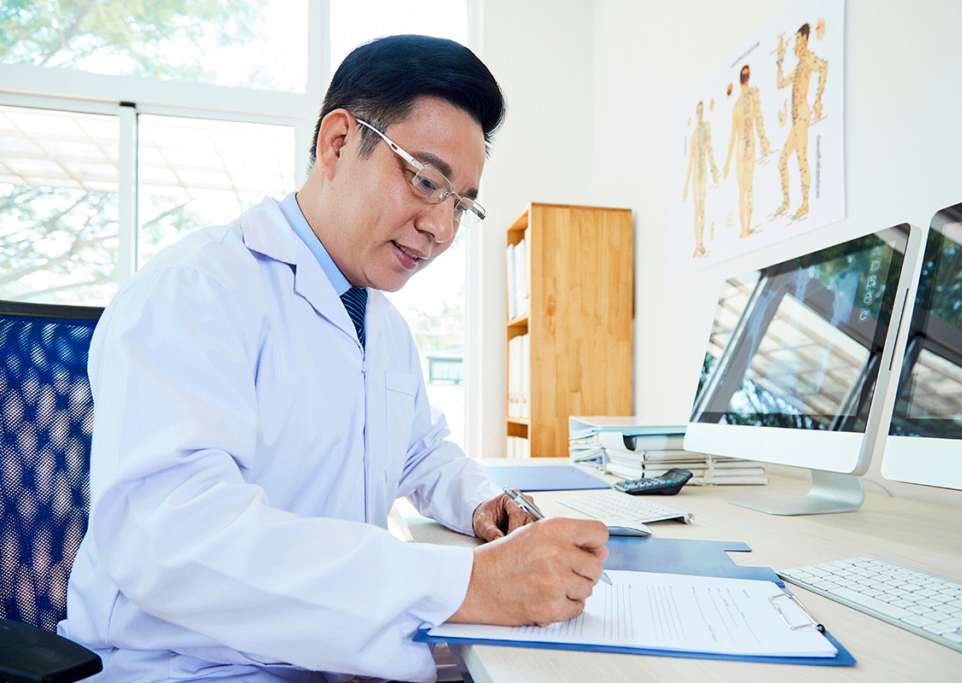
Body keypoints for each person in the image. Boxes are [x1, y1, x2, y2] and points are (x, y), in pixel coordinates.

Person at [58, 34, 609, 683]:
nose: (442, 228)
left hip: (325, 659)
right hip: (188, 667)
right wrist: (466, 584)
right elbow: (171, 541)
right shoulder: (197, 289)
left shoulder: (382, 323)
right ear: (338, 143)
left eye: (461, 203)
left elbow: (419, 451)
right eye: (427, 181)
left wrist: (486, 501)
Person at [774, 22, 828, 220]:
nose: (795, 43)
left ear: (804, 39)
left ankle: (805, 204)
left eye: (798, 39)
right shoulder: (799, 65)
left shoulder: (807, 59)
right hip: (797, 118)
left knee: (800, 160)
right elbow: (780, 84)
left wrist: (818, 99)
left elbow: (823, 67)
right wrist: (780, 59)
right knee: (783, 162)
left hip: (802, 115)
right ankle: (788, 201)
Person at [722, 65, 771, 238]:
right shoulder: (750, 98)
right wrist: (763, 142)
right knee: (747, 190)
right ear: (747, 79)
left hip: (741, 145)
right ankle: (746, 227)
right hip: (747, 144)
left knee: (743, 191)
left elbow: (734, 137)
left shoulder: (738, 104)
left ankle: (745, 229)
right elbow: (757, 122)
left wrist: (727, 162)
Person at [682, 101, 718, 257]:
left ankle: (701, 244)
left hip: (703, 174)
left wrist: (714, 168)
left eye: (702, 111)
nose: (701, 114)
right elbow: (690, 161)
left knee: (702, 209)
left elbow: (709, 150)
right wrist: (685, 185)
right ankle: (697, 245)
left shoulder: (706, 128)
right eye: (699, 111)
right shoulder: (693, 136)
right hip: (696, 176)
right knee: (697, 211)